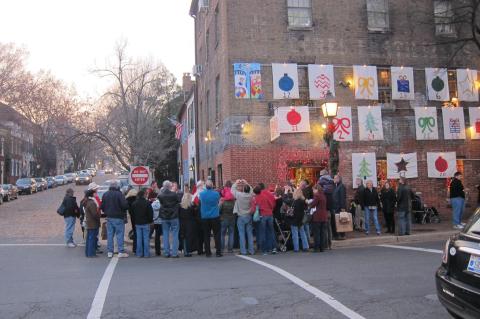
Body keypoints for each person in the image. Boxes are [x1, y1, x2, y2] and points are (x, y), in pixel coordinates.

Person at [101, 182, 129, 257]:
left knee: (110, 235)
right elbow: (124, 205)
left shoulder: (105, 194)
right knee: (119, 234)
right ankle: (120, 251)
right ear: (117, 187)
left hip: (109, 217)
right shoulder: (119, 194)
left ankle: (110, 252)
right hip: (118, 217)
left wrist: (106, 211)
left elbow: (102, 206)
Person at [158, 180, 181, 258]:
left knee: (165, 234)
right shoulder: (174, 194)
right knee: (175, 234)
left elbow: (160, 202)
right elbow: (178, 201)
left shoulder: (160, 195)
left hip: (164, 216)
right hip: (174, 216)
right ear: (170, 186)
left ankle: (166, 252)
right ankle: (174, 253)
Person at [199, 180, 222, 257]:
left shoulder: (201, 194)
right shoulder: (216, 194)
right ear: (212, 186)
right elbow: (218, 201)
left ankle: (208, 252)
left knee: (206, 235)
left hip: (205, 216)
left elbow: (200, 201)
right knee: (217, 234)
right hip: (215, 216)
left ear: (206, 186)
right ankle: (218, 252)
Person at [252, 184, 276, 255]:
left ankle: (264, 250)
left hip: (262, 215)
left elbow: (254, 209)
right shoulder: (265, 196)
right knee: (271, 231)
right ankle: (273, 248)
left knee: (262, 233)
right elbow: (272, 204)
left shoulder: (255, 198)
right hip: (270, 214)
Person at [232, 179, 255, 255]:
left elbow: (232, 190)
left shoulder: (239, 195)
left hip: (241, 216)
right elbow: (251, 190)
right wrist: (246, 182)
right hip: (248, 216)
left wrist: (236, 182)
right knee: (249, 234)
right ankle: (251, 250)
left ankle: (243, 251)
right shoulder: (251, 195)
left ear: (243, 190)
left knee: (241, 234)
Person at [131, 190, 153, 258]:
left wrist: (134, 221)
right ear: (144, 195)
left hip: (137, 223)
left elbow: (132, 214)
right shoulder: (147, 203)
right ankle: (146, 253)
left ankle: (139, 253)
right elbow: (150, 213)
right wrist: (150, 221)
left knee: (139, 238)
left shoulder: (134, 203)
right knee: (146, 238)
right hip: (146, 223)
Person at [83, 184, 101, 257]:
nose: (95, 194)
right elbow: (95, 214)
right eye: (94, 193)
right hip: (93, 223)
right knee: (92, 239)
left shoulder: (87, 202)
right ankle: (91, 253)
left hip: (89, 222)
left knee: (89, 238)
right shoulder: (91, 203)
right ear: (92, 194)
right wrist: (99, 215)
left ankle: (88, 253)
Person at [309, 184, 328, 252]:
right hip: (324, 216)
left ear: (316, 189)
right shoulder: (323, 195)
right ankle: (322, 247)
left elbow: (313, 205)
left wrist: (309, 203)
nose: (313, 191)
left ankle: (316, 248)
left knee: (317, 233)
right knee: (322, 233)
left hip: (317, 216)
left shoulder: (317, 196)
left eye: (313, 189)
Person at [318, 170, 334, 248]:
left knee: (324, 228)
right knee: (329, 227)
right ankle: (330, 244)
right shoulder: (332, 181)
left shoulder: (321, 181)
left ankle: (325, 245)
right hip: (330, 208)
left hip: (323, 209)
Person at [179, 185, 196, 257]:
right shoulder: (191, 207)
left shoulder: (180, 206)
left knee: (183, 237)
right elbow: (194, 214)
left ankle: (185, 251)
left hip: (182, 223)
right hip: (190, 223)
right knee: (189, 237)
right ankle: (189, 251)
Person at [219, 181, 235, 253]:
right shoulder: (233, 200)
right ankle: (230, 249)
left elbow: (219, 210)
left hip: (224, 218)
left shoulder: (223, 200)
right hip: (232, 218)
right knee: (231, 233)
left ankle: (222, 248)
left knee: (222, 234)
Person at [332, 175, 347, 239]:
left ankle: (342, 235)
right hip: (335, 207)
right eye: (334, 178)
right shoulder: (335, 186)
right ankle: (338, 235)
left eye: (335, 178)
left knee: (341, 221)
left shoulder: (341, 186)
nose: (334, 179)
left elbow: (342, 197)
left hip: (339, 207)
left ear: (339, 179)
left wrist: (343, 207)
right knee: (337, 222)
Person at [125, 189, 138, 255]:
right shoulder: (137, 200)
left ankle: (135, 248)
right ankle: (139, 248)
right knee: (139, 233)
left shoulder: (127, 200)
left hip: (133, 218)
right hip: (139, 218)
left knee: (135, 232)